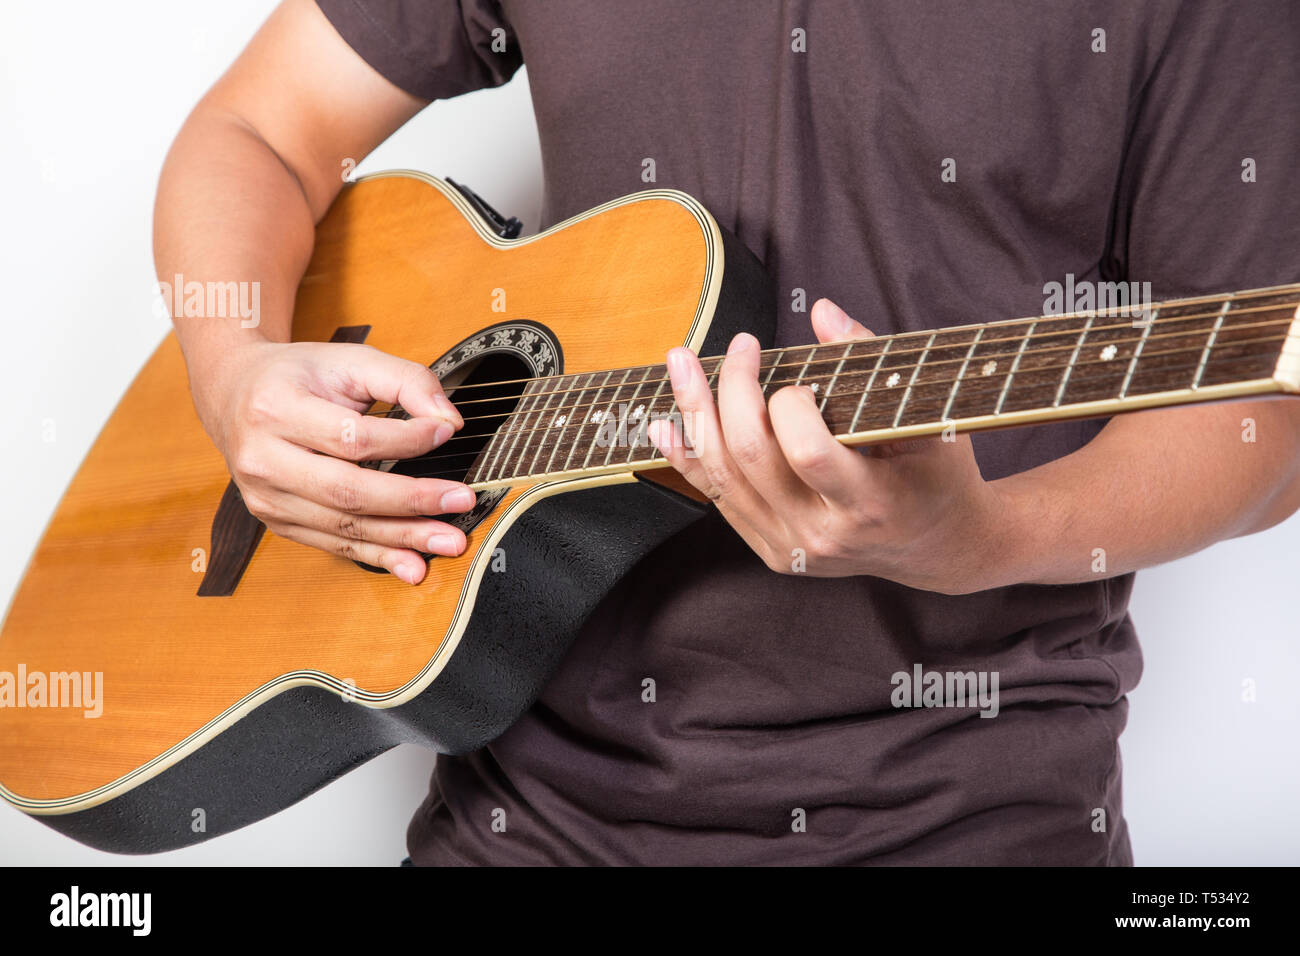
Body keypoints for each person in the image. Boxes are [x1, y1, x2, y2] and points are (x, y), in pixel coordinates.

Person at [155, 0, 1300, 864]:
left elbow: (1263, 415)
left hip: (979, 817)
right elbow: (260, 126)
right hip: (529, 818)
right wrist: (234, 370)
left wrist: (982, 536)